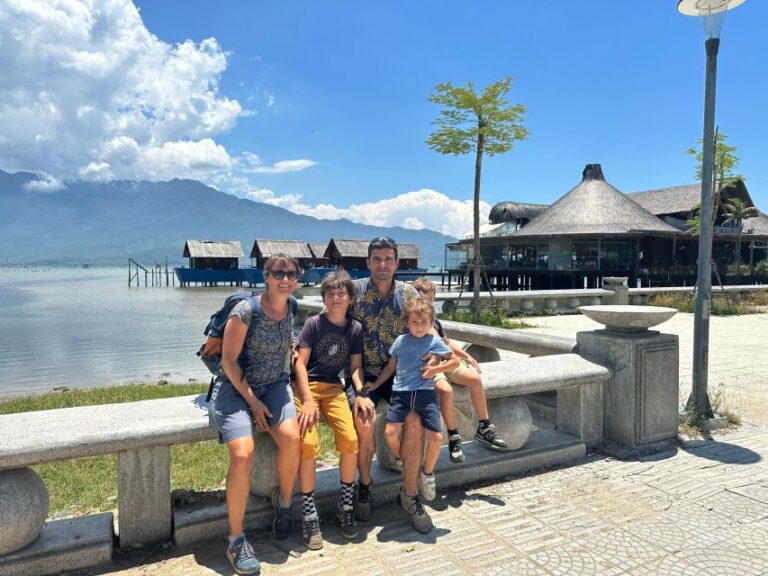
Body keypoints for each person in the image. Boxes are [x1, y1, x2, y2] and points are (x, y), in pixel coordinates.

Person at [211, 254, 309, 575]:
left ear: (297, 278)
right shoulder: (245, 311)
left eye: (291, 273)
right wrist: (253, 402)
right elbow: (228, 362)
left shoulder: (291, 306)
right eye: (278, 272)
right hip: (236, 389)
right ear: (266, 276)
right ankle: (236, 540)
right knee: (243, 453)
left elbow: (287, 348)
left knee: (293, 439)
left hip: (275, 386)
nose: (285, 278)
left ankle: (283, 504)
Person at [346, 236, 434, 534]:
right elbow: (329, 322)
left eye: (388, 259)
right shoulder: (354, 292)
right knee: (365, 420)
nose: (382, 265)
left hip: (402, 376)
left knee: (416, 421)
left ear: (397, 262)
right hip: (363, 374)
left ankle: (409, 495)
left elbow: (427, 331)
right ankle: (365, 486)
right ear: (368, 262)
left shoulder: (409, 295)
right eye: (376, 259)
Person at [292, 271, 369, 549]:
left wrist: (360, 392)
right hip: (307, 388)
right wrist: (308, 399)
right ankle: (309, 513)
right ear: (324, 298)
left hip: (335, 387)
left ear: (350, 297)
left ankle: (345, 506)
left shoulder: (355, 328)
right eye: (330, 294)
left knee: (350, 440)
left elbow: (355, 366)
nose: (336, 298)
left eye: (341, 294)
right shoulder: (314, 323)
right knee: (309, 444)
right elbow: (300, 364)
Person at [366, 297, 458, 503]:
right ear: (406, 323)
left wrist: (435, 369)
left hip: (425, 394)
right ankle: (401, 459)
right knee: (390, 433)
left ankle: (427, 472)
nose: (419, 326)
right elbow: (390, 367)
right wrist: (377, 384)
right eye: (414, 322)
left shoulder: (434, 341)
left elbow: (454, 360)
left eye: (424, 322)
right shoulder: (400, 341)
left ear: (432, 322)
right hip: (401, 393)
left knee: (436, 438)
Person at [412, 278, 509, 463]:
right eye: (424, 299)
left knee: (474, 379)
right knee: (446, 390)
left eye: (431, 299)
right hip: (431, 365)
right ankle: (454, 436)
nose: (428, 303)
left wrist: (466, 356)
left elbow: (446, 343)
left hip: (447, 360)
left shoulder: (436, 322)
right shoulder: (415, 321)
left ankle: (484, 427)